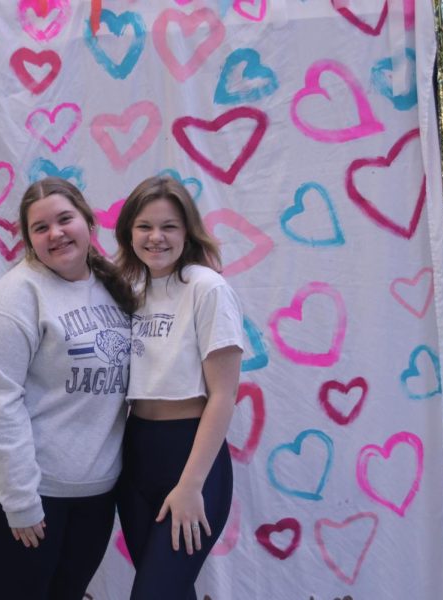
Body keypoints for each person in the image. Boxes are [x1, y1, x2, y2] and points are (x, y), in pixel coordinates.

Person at [0, 177, 136, 599]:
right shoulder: (14, 300)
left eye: (65, 219)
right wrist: (19, 501)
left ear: (88, 221)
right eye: (40, 227)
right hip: (15, 490)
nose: (55, 233)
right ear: (29, 240)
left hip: (89, 493)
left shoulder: (111, 288)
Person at [114, 175, 244, 599]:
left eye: (169, 226)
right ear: (128, 232)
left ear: (187, 231)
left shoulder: (207, 288)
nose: (156, 237)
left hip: (190, 456)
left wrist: (189, 486)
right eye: (144, 226)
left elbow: (224, 396)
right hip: (135, 456)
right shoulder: (128, 290)